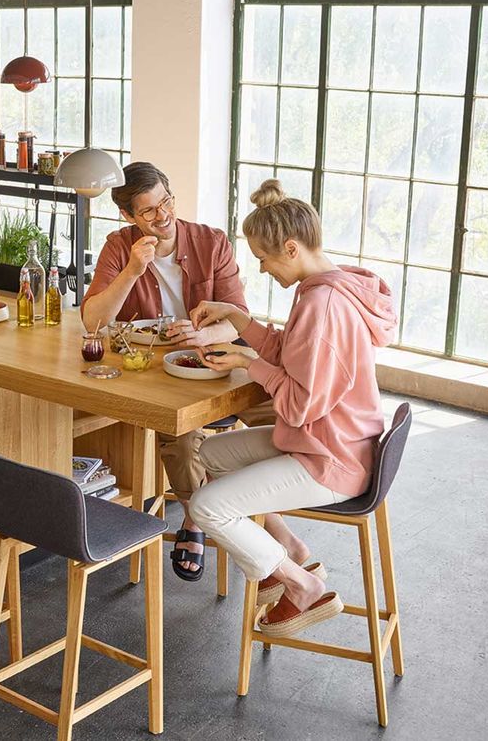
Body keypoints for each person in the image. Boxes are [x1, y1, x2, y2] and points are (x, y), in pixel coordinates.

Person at [186, 179, 397, 637]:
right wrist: (240, 321)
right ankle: (288, 547)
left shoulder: (322, 306)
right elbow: (293, 353)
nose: (261, 270)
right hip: (338, 442)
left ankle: (301, 587)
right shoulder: (327, 288)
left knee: (207, 507)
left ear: (290, 248)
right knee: (211, 455)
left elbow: (299, 405)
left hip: (329, 459)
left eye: (262, 259)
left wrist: (248, 360)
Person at [80, 161, 274, 582]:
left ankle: (241, 504)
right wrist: (133, 270)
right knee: (181, 437)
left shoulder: (210, 241)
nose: (162, 215)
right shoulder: (119, 247)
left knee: (281, 410)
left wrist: (203, 336)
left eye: (166, 201)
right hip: (157, 372)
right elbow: (93, 321)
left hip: (218, 361)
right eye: (148, 211)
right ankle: (197, 516)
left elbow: (237, 317)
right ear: (129, 216)